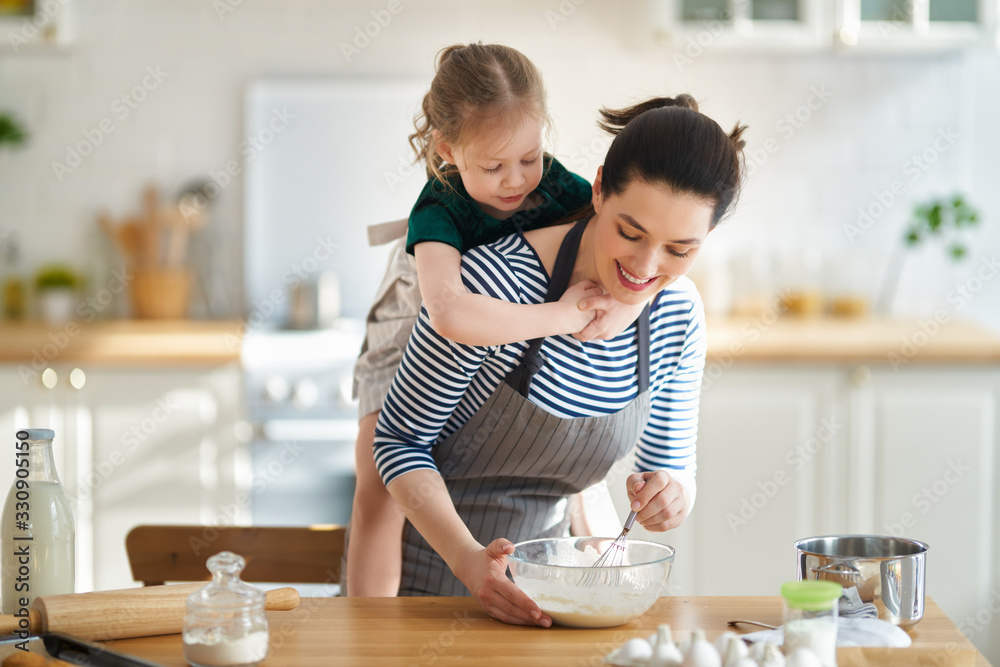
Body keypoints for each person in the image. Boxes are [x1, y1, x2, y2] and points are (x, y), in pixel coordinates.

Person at [372, 94, 747, 626]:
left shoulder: (678, 315)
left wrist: (671, 496)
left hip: (563, 604)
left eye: (679, 250)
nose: (644, 267)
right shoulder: (494, 288)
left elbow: (671, 467)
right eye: (630, 233)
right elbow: (398, 442)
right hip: (435, 595)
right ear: (597, 190)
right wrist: (468, 561)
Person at [346, 43, 637, 596]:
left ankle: (594, 563)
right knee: (378, 474)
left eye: (528, 157)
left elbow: (615, 232)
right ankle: (368, 626)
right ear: (449, 150)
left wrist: (630, 301)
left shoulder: (550, 182)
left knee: (575, 458)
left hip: (521, 310)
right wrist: (561, 314)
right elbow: (450, 312)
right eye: (494, 166)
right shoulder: (439, 207)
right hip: (422, 303)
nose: (516, 180)